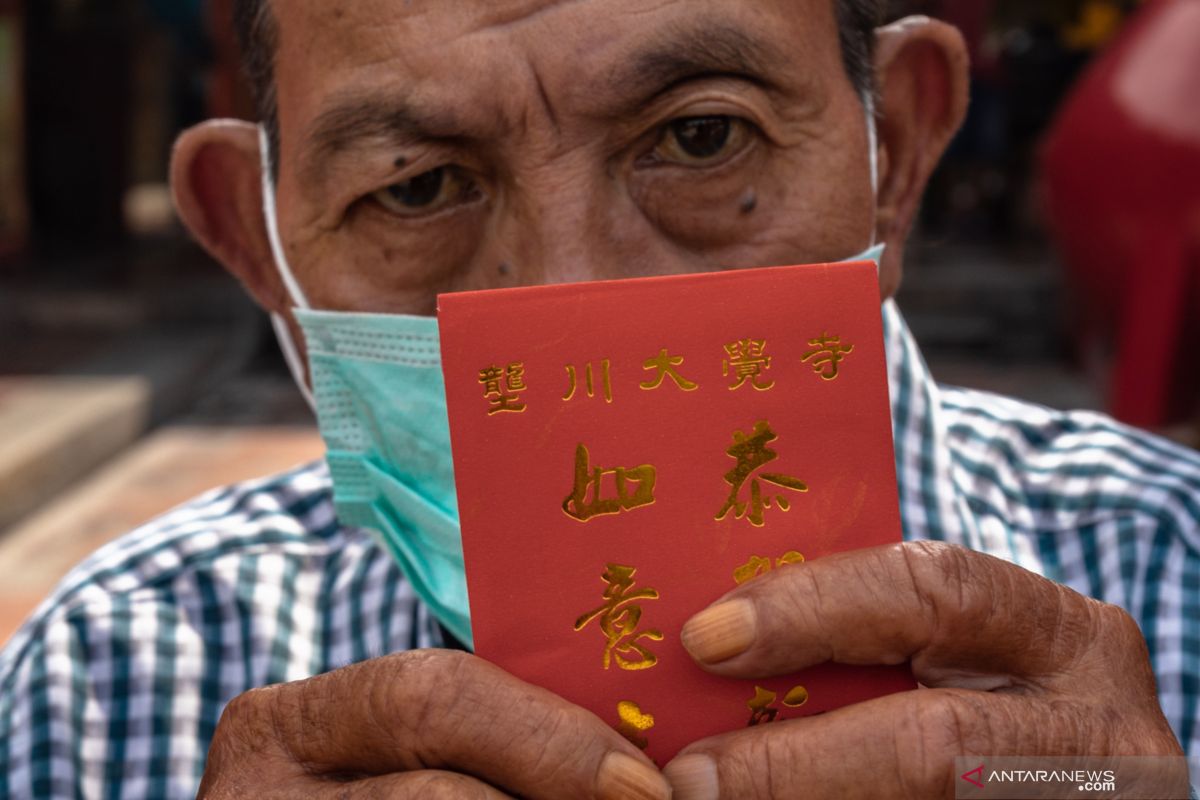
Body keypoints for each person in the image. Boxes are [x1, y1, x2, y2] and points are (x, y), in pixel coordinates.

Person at [2, 0, 1198, 797]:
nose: (575, 296)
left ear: (899, 152)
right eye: (416, 189)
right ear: (259, 246)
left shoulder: (1169, 566)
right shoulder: (119, 677)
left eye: (703, 135)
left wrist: (1080, 778)